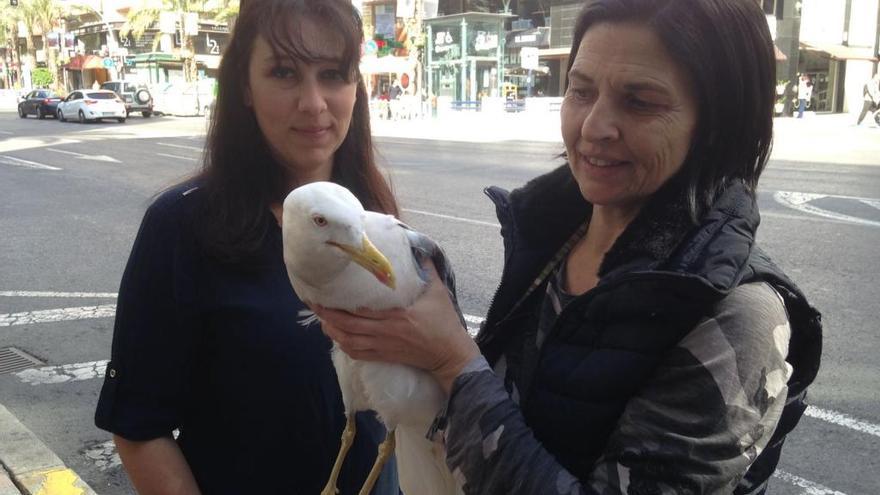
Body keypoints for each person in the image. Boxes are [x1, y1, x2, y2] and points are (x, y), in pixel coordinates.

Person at [315, 0, 822, 493]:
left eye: (640, 102)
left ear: (717, 125)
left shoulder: (739, 316)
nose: (594, 127)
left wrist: (452, 361)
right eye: (580, 92)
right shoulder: (554, 235)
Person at [94, 0, 400, 493]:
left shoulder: (374, 221)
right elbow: (138, 424)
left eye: (333, 74)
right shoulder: (183, 225)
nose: (314, 103)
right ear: (244, 88)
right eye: (284, 72)